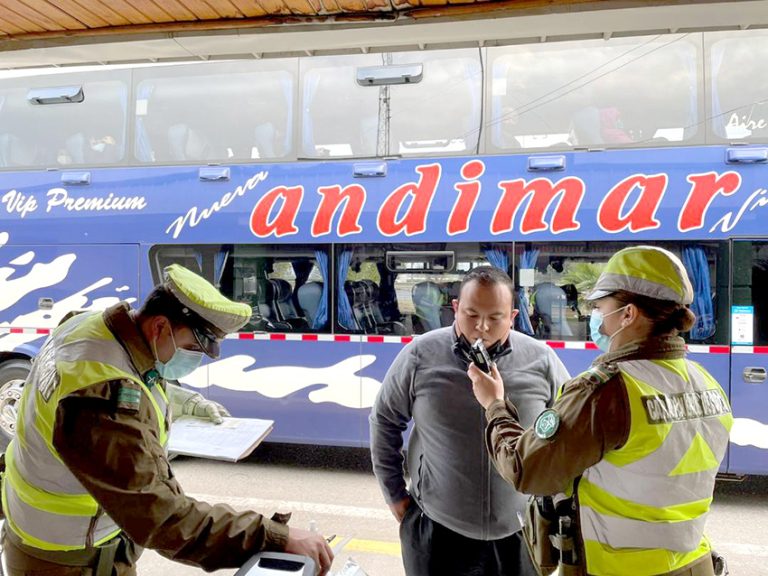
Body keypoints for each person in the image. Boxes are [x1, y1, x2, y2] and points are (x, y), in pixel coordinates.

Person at [1, 264, 333, 576]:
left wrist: (186, 401)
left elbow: (126, 375)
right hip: (66, 558)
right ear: (159, 326)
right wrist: (273, 536)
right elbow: (161, 518)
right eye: (192, 347)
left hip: (42, 532)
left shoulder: (87, 327)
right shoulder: (101, 401)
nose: (195, 359)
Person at [470, 246, 733, 576]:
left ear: (628, 314)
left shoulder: (608, 391)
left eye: (599, 306)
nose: (595, 316)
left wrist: (495, 404)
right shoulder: (706, 382)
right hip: (694, 564)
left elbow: (525, 468)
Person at [369, 265, 570, 576]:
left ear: (513, 316)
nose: (482, 327)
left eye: (495, 317)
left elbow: (568, 434)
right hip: (436, 530)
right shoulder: (420, 355)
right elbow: (384, 420)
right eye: (471, 314)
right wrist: (394, 493)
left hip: (519, 533)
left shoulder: (541, 360)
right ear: (455, 308)